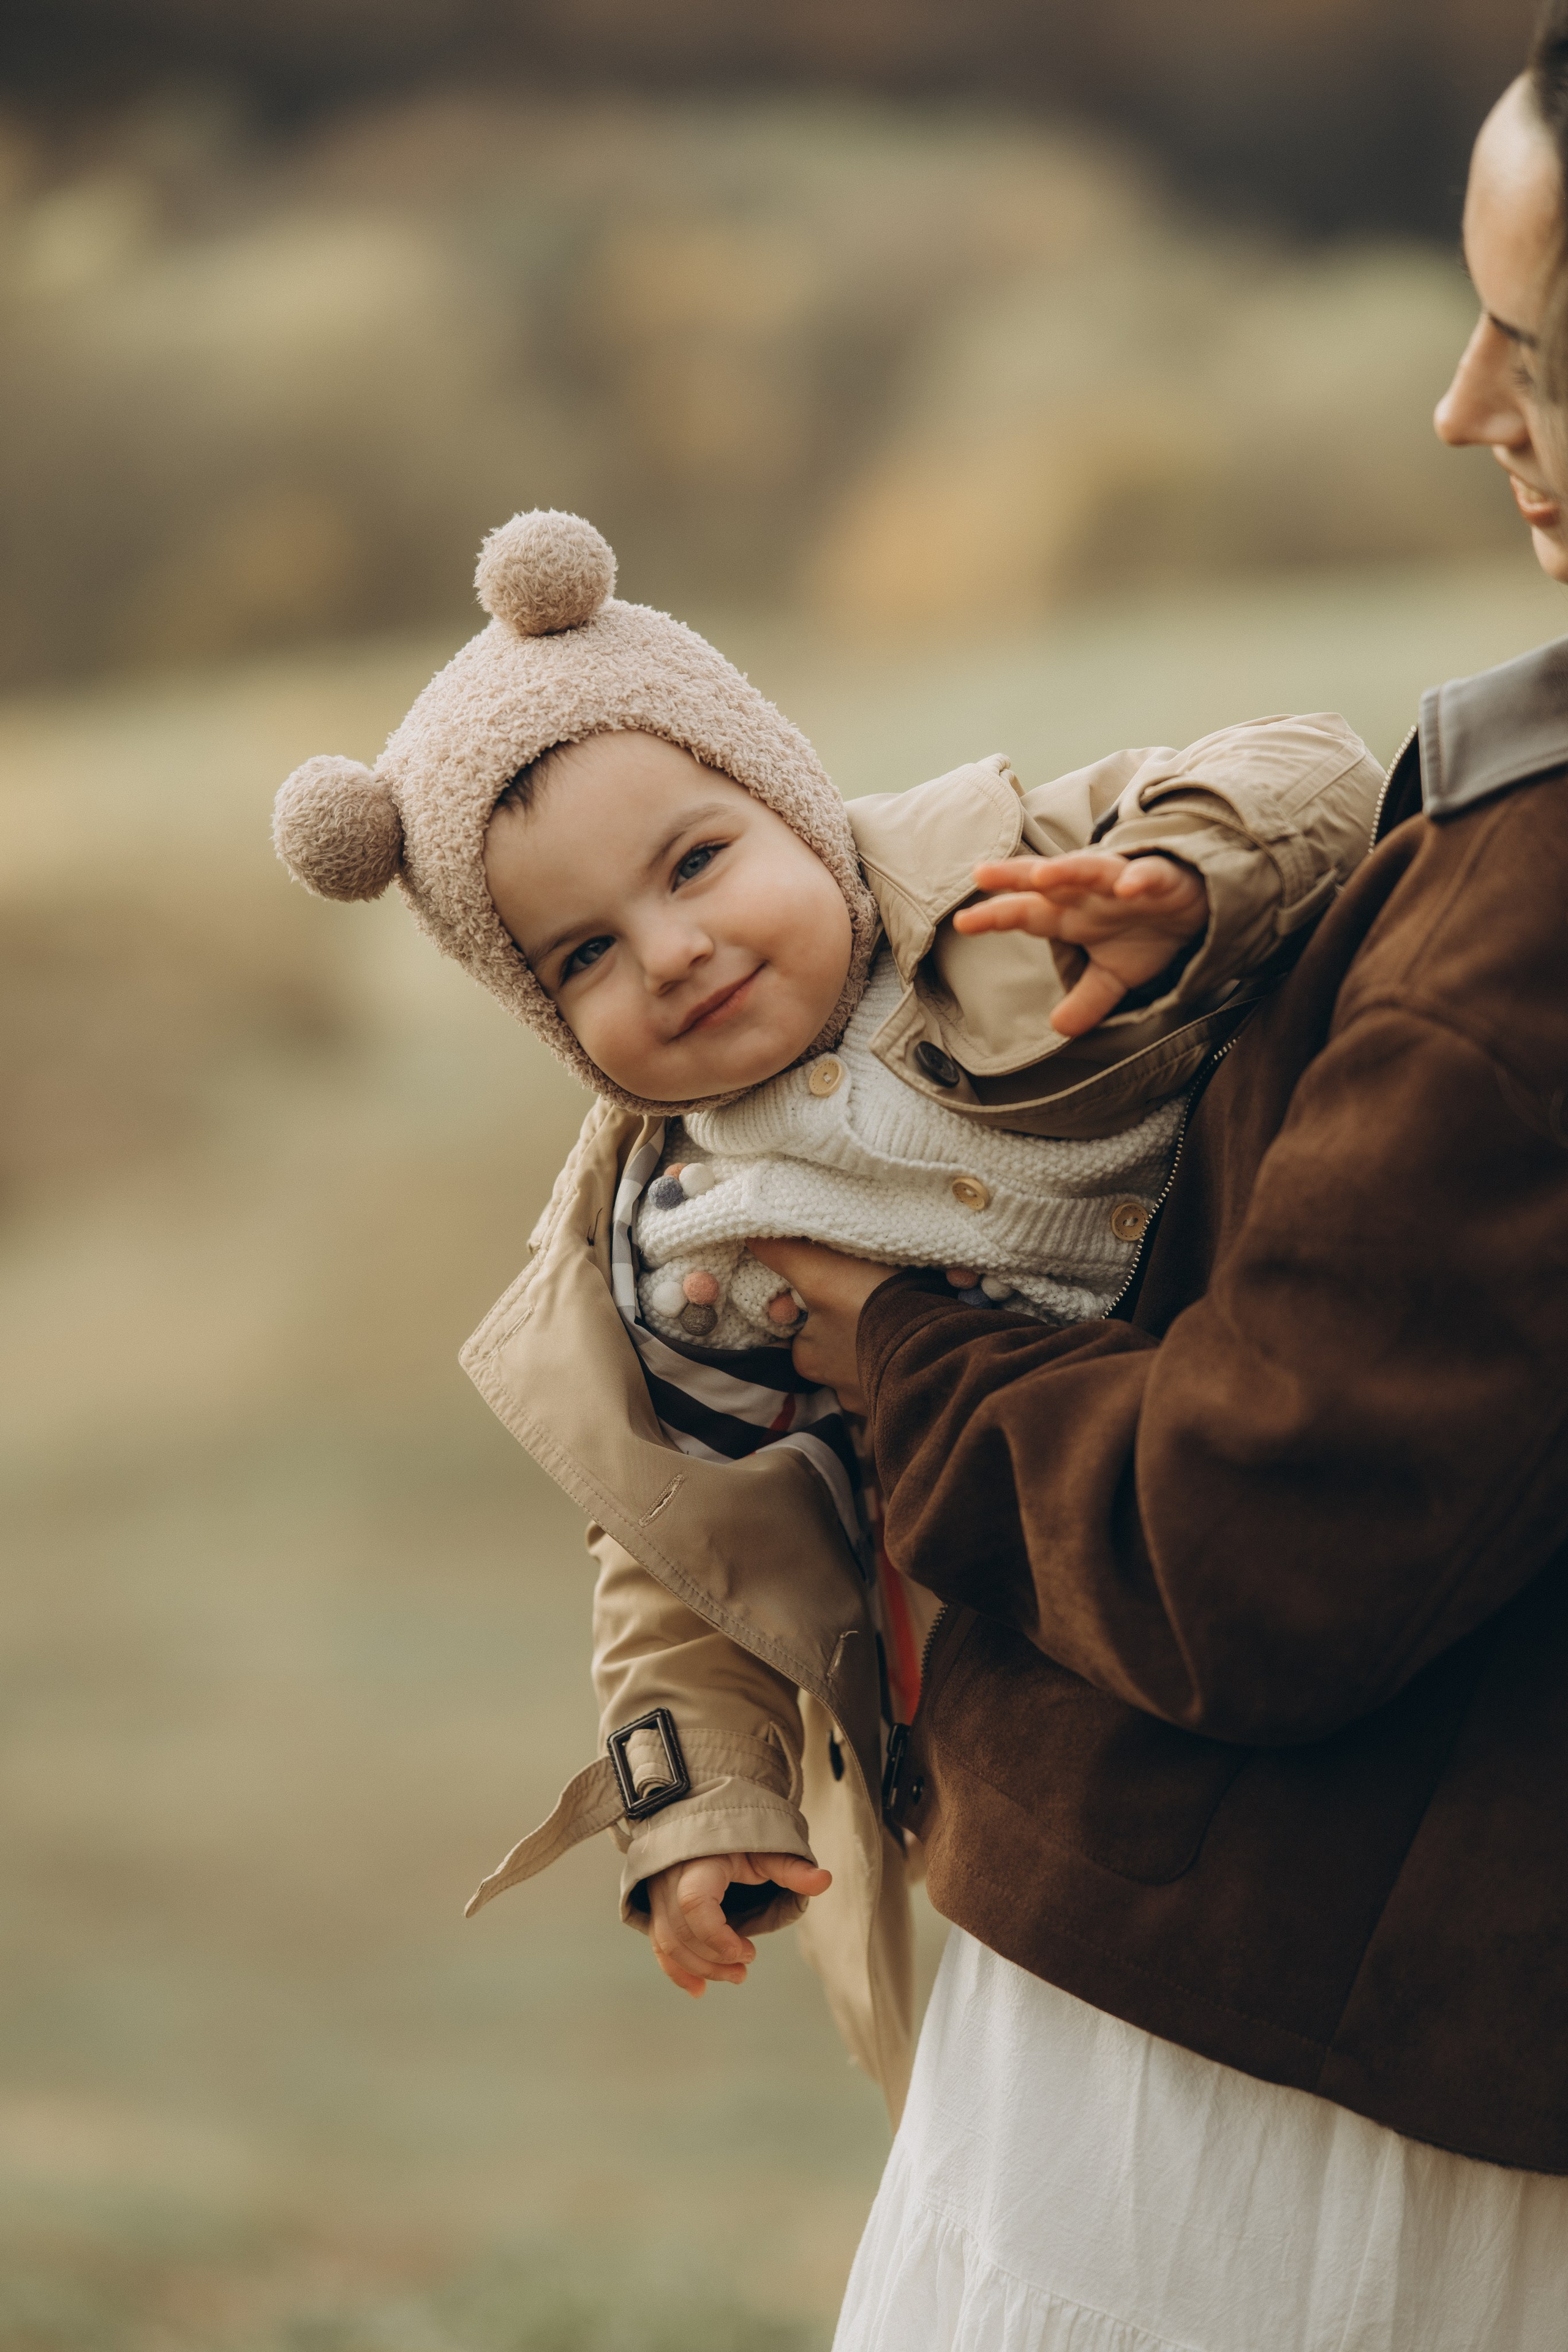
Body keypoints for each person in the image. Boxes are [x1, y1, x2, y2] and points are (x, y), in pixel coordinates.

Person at [754, 9, 1568, 2346]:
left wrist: (888, 1341)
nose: (1460, 404)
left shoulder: (1545, 924)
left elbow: (1244, 1551)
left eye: (1538, 343)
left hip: (1277, 2117)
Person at [271, 507, 1378, 2098]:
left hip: (1278, 1441)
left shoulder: (1005, 881)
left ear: (788, 795)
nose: (675, 950)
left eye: (697, 862)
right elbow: (679, 1547)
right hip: (1040, 1649)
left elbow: (1316, 767)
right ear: (550, 1020)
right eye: (584, 954)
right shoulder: (689, 1254)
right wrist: (708, 1803)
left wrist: (1178, 878)